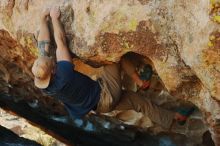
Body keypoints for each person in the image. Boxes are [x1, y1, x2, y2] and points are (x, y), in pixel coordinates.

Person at [32, 7, 192, 129]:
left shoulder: (43, 83)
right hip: (105, 94)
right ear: (53, 71)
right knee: (112, 58)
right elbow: (60, 41)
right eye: (51, 62)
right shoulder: (64, 74)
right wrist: (54, 17)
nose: (50, 59)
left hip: (100, 106)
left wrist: (42, 19)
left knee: (141, 104)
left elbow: (43, 46)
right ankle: (140, 79)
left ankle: (175, 118)